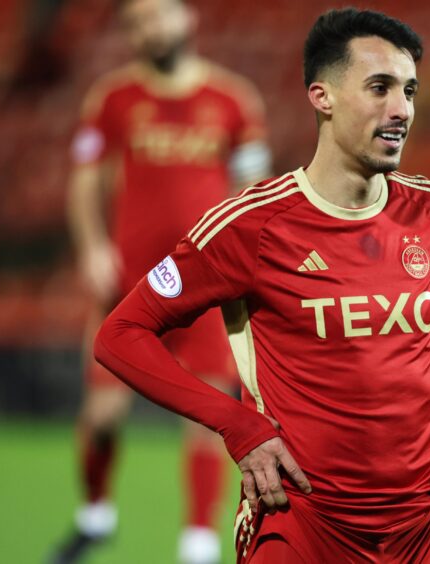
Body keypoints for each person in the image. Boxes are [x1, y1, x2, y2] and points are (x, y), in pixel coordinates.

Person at [94, 8, 430, 563]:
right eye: (379, 88)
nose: (401, 110)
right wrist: (238, 425)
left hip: (417, 528)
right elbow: (120, 334)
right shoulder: (250, 226)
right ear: (321, 97)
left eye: (409, 91)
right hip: (301, 524)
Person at [51, 0, 272, 562]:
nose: (151, 28)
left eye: (160, 15)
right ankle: (96, 513)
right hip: (128, 283)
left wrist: (247, 266)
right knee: (100, 417)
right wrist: (91, 245)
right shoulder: (113, 98)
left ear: (188, 18)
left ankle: (197, 542)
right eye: (138, 21)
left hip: (204, 287)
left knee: (208, 411)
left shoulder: (233, 100)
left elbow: (254, 193)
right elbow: (83, 179)